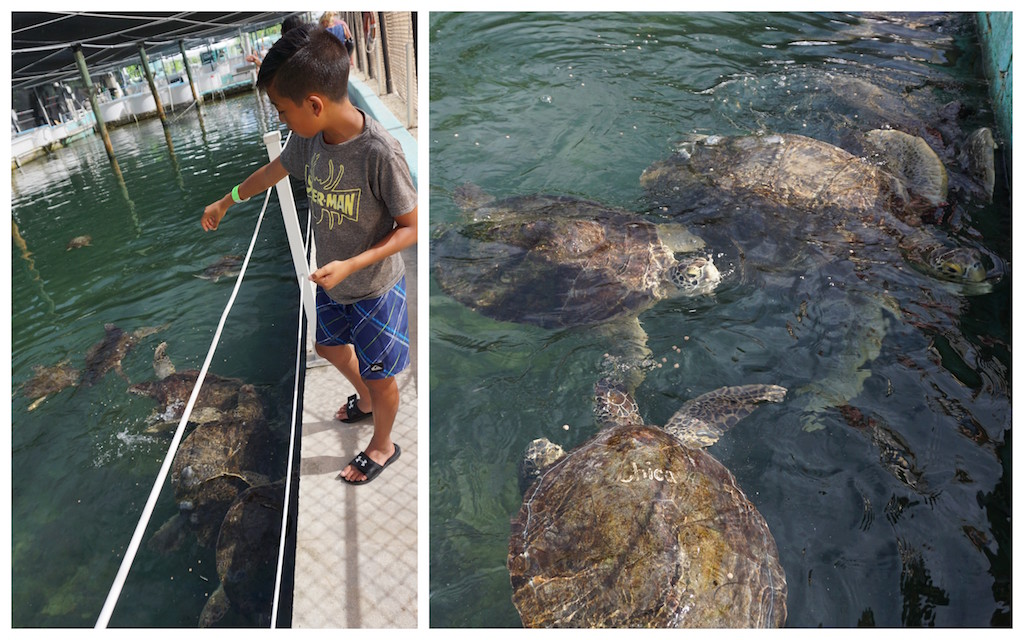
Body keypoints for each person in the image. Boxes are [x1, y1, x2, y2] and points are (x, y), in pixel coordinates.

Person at [200, 25, 417, 485]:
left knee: (383, 377)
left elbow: (411, 228)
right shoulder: (308, 140)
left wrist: (353, 265)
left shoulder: (379, 153)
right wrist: (226, 199)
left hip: (373, 287)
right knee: (328, 346)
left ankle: (383, 444)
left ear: (313, 104)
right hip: (334, 282)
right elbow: (272, 171)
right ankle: (364, 399)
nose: (282, 121)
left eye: (282, 110)